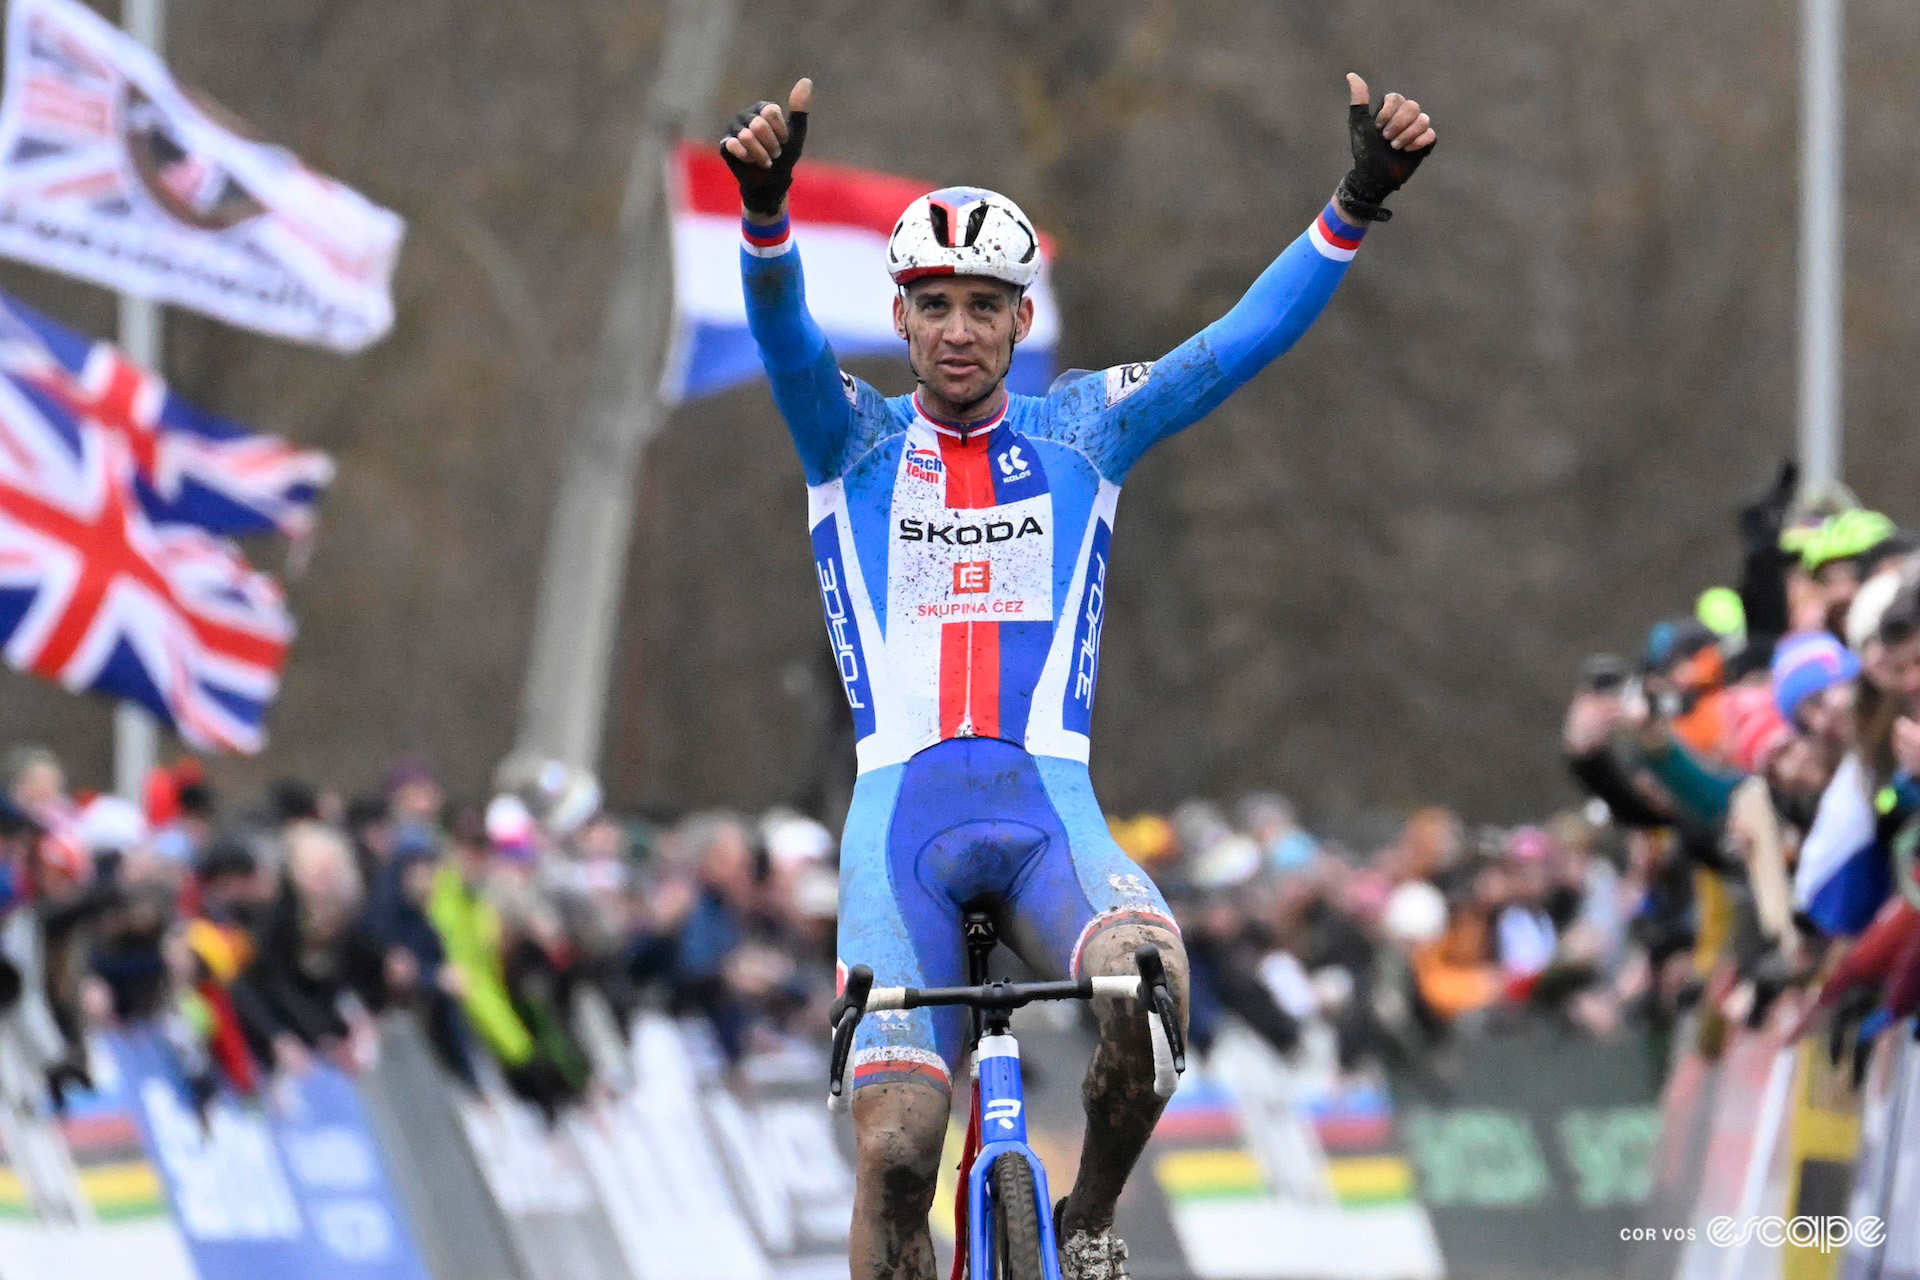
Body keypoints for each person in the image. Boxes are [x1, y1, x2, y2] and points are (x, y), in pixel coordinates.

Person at [722, 70, 1435, 1280]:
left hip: (1050, 813)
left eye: (984, 305)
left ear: (1018, 318)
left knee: (1151, 992)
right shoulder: (848, 438)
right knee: (897, 1152)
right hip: (902, 830)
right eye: (934, 304)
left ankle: (1091, 1211)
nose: (957, 329)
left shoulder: (1083, 431)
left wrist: (1355, 201)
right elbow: (784, 338)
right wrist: (767, 216)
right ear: (900, 319)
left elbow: (1235, 345)